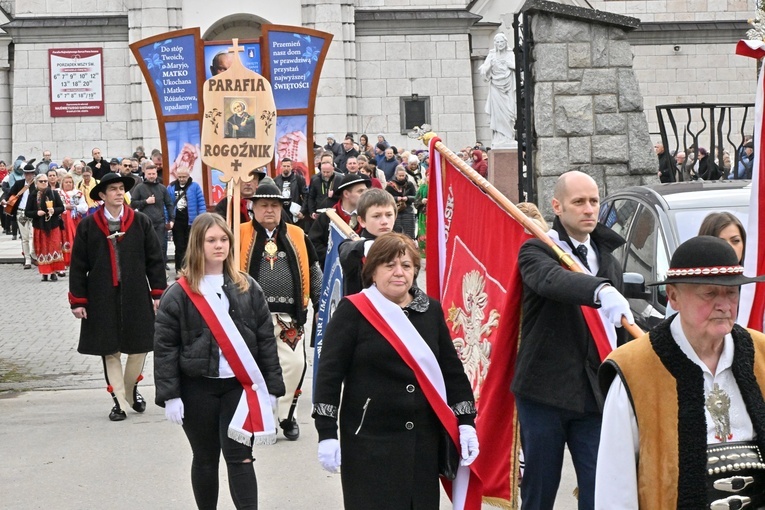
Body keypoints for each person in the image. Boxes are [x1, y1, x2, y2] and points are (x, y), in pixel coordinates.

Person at [595, 236, 765, 509]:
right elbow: (615, 485)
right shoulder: (634, 369)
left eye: (731, 292)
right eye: (710, 293)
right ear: (673, 297)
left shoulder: (762, 354)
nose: (724, 305)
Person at [312, 233, 479, 509]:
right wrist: (326, 432)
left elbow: (452, 372)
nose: (399, 272)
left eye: (406, 265)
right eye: (389, 265)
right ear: (373, 270)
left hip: (422, 442)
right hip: (369, 440)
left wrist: (466, 423)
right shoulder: (353, 311)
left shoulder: (431, 311)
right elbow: (329, 376)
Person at [512, 170, 633, 510]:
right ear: (557, 206)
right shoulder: (538, 249)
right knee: (540, 488)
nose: (588, 209)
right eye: (578, 202)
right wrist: (599, 289)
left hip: (594, 394)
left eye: (594, 201)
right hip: (543, 392)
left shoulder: (608, 257)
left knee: (599, 489)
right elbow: (552, 281)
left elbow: (617, 331)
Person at [154, 212, 285, 510]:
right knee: (205, 458)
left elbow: (265, 340)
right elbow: (165, 347)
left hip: (238, 388)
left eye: (224, 239)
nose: (219, 246)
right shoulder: (179, 294)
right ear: (197, 245)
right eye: (211, 240)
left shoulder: (248, 287)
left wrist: (273, 388)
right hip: (196, 388)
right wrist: (170, 395)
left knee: (240, 457)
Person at [69, 172, 167, 421]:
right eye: (112, 189)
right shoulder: (88, 225)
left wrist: (158, 293)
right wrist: (78, 300)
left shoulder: (140, 221)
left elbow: (155, 260)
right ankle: (120, 403)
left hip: (135, 292)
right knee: (109, 349)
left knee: (141, 346)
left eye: (120, 188)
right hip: (101, 294)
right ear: (101, 195)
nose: (117, 193)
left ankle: (130, 390)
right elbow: (78, 265)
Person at [240, 183, 322, 441]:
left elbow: (313, 270)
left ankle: (286, 415)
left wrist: (321, 303)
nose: (269, 210)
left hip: (289, 317)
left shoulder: (298, 234)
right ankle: (263, 415)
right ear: (252, 207)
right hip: (252, 317)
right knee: (257, 367)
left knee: (295, 364)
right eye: (263, 205)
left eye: (274, 205)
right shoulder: (237, 232)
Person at [338, 188, 397, 296]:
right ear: (362, 221)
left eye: (389, 215)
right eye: (376, 216)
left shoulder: (402, 246)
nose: (384, 221)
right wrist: (364, 246)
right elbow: (345, 251)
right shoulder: (355, 248)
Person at [309, 173, 370, 269]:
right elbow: (313, 243)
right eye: (360, 191)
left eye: (366, 191)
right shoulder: (328, 216)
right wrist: (334, 257)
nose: (365, 195)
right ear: (346, 194)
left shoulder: (368, 217)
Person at [130, 163, 175, 269]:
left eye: (153, 174)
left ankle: (162, 266)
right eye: (149, 174)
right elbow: (133, 204)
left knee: (161, 245)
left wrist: (172, 219)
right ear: (145, 174)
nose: (151, 176)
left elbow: (169, 204)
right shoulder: (140, 187)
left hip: (160, 222)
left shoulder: (162, 188)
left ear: (156, 174)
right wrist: (146, 201)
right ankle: (146, 266)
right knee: (146, 245)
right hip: (145, 222)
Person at [478, 33, 516, 148]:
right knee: (497, 114)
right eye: (497, 42)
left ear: (505, 43)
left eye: (502, 42)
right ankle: (500, 137)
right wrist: (489, 66)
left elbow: (517, 66)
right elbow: (483, 70)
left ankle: (509, 137)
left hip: (508, 87)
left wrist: (509, 64)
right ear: (495, 44)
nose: (500, 44)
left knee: (509, 112)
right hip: (496, 87)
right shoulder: (492, 54)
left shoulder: (510, 54)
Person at [25, 173, 65, 281]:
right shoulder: (32, 195)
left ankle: (53, 272)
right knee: (42, 249)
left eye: (45, 181)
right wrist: (37, 213)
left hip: (53, 225)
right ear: (36, 183)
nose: (44, 183)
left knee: (54, 248)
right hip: (39, 226)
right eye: (41, 181)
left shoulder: (53, 193)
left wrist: (54, 210)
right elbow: (27, 212)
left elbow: (61, 207)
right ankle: (45, 272)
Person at [168, 166, 207, 274]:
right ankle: (179, 270)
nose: (182, 179)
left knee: (191, 246)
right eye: (179, 177)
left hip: (191, 222)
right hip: (177, 222)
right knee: (179, 247)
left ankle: (192, 269)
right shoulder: (171, 187)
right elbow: (167, 205)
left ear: (189, 176)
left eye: (184, 177)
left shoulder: (195, 187)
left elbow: (201, 204)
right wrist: (168, 220)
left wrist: (202, 220)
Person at [7, 161, 38, 267]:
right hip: (21, 212)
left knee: (33, 235)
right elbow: (10, 194)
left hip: (33, 213)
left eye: (30, 173)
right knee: (25, 237)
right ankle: (27, 259)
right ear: (23, 174)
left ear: (34, 174)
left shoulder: (37, 184)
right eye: (26, 173)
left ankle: (34, 255)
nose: (28, 175)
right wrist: (5, 201)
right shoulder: (19, 184)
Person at [58, 174, 87, 269]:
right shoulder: (57, 193)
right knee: (62, 239)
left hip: (75, 220)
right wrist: (65, 207)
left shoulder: (78, 194)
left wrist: (75, 207)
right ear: (62, 183)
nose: (68, 184)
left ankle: (74, 259)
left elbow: (84, 207)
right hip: (61, 221)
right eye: (66, 182)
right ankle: (63, 259)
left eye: (70, 182)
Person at [385, 166, 417, 240]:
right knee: (396, 234)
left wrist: (408, 198)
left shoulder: (409, 184)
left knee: (409, 234)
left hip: (408, 210)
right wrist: (396, 198)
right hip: (396, 211)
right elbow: (386, 198)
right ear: (396, 175)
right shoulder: (390, 185)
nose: (402, 177)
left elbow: (416, 197)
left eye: (403, 175)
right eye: (400, 175)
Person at [273, 158, 307, 226]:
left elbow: (305, 196)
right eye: (284, 166)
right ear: (281, 167)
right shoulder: (276, 180)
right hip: (282, 211)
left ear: (291, 167)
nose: (286, 168)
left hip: (295, 212)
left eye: (288, 166)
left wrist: (302, 211)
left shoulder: (299, 179)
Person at [414, 168, 428, 256]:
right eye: (428, 175)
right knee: (423, 235)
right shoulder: (422, 187)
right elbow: (416, 201)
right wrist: (421, 202)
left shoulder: (439, 187)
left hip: (435, 216)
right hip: (423, 214)